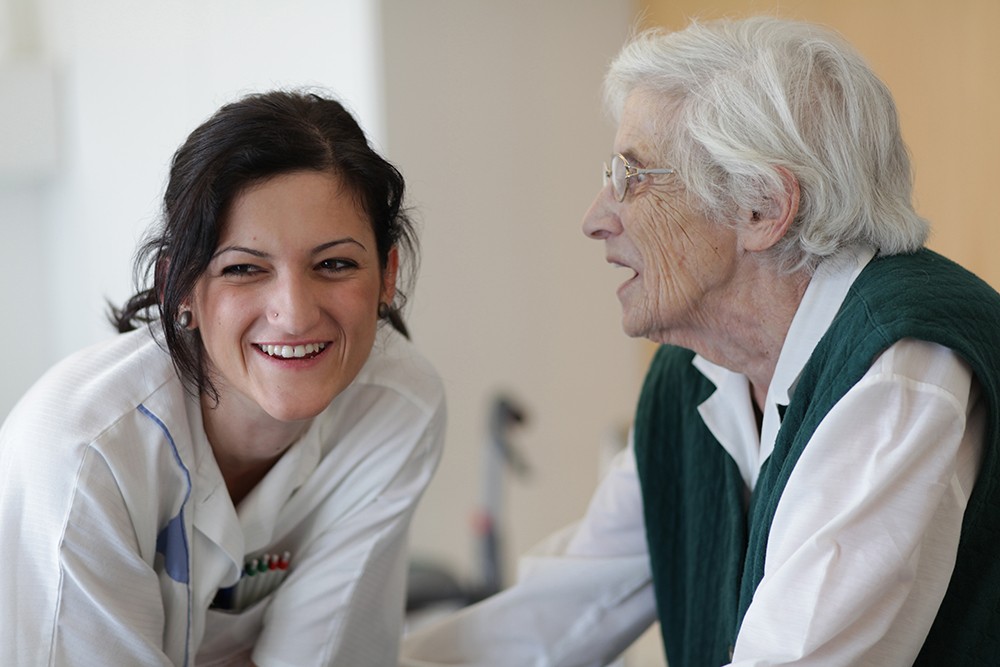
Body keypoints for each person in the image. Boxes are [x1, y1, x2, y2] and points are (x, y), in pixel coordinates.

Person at [400, 16, 1000, 666]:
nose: (595, 218)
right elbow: (561, 617)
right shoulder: (696, 371)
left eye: (630, 176)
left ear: (761, 206)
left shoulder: (900, 362)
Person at [0, 90, 446, 666]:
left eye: (334, 264)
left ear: (387, 275)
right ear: (177, 287)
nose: (295, 314)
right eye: (243, 269)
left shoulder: (396, 408)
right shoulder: (85, 451)